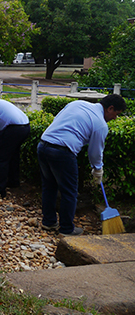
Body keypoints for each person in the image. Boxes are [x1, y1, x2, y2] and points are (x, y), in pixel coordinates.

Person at [37, 94, 125, 236]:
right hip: (62, 152)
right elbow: (95, 152)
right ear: (110, 108)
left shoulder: (77, 104)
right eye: (116, 114)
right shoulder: (100, 124)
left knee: (49, 186)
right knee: (69, 191)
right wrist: (98, 169)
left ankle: (49, 222)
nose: (115, 118)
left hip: (43, 145)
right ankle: (66, 229)